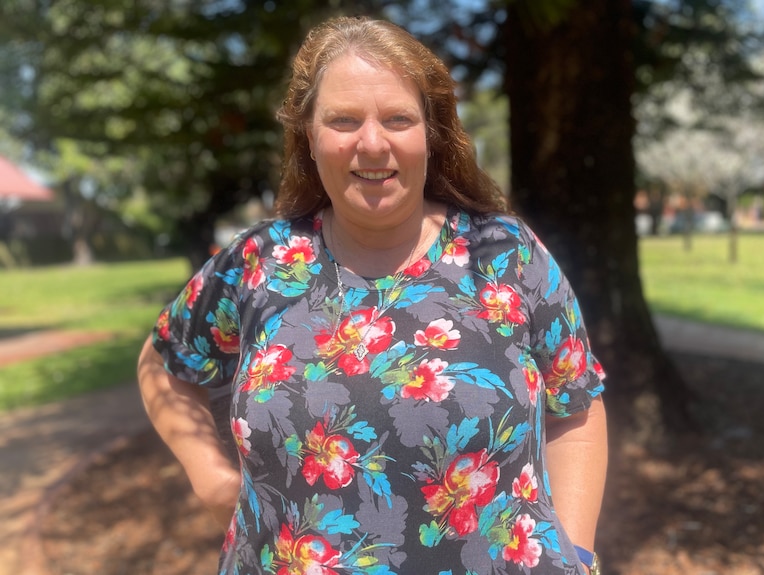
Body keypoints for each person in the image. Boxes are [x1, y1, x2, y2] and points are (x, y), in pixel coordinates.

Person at [137, 15, 607, 575]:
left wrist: (578, 555)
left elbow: (575, 408)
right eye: (342, 120)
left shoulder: (506, 255)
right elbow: (163, 360)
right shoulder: (258, 266)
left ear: (430, 136)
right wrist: (213, 481)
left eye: (398, 119)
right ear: (308, 138)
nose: (373, 142)